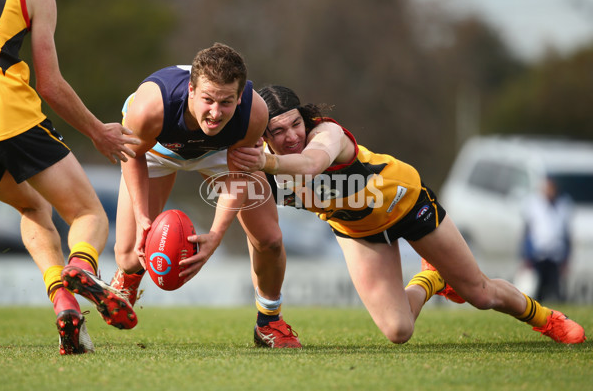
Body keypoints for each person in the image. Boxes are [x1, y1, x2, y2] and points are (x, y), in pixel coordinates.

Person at [228, 85, 586, 345]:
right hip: (357, 232)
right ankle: (430, 281)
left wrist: (267, 161)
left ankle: (547, 320)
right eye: (278, 130)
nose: (292, 135)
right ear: (262, 134)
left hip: (409, 205)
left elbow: (310, 164)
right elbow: (258, 231)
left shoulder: (327, 133)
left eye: (295, 124)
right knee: (398, 332)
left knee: (480, 294)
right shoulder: (259, 164)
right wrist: (214, 235)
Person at [109, 43, 301, 348]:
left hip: (221, 153)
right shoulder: (150, 109)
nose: (215, 112)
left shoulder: (254, 114)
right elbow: (131, 155)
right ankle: (128, 277)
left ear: (239, 98)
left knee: (270, 239)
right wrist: (143, 216)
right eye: (208, 100)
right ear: (191, 91)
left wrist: (215, 235)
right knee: (130, 256)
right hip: (157, 150)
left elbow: (238, 176)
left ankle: (269, 322)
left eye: (226, 102)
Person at [0, 0, 140, 355]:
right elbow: (50, 85)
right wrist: (98, 132)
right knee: (88, 214)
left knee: (33, 207)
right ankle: (80, 266)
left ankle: (64, 303)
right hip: (10, 117)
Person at [520, 177, 572, 302]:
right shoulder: (534, 205)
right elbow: (527, 232)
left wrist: (566, 257)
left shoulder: (563, 206)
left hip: (555, 255)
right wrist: (526, 254)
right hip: (538, 254)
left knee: (556, 290)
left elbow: (567, 235)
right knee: (537, 290)